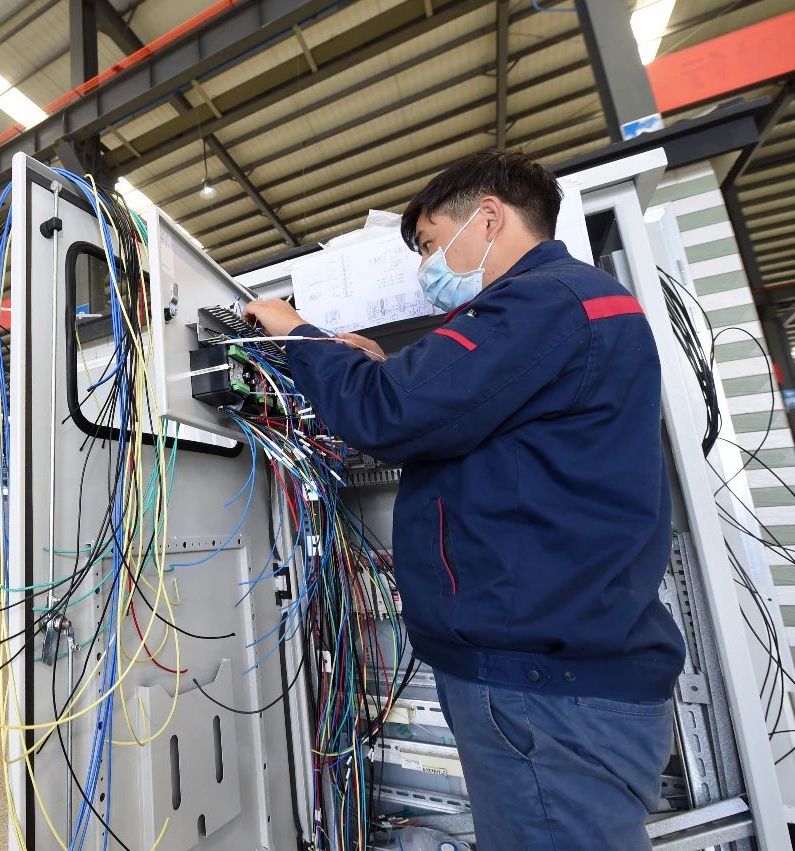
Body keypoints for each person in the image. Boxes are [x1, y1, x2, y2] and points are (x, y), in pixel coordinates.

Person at [244, 150, 685, 850]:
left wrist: (296, 332)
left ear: (488, 217)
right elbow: (478, 427)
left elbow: (387, 415)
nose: (427, 265)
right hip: (555, 678)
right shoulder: (573, 304)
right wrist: (380, 370)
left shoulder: (542, 301)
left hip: (545, 690)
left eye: (428, 243)